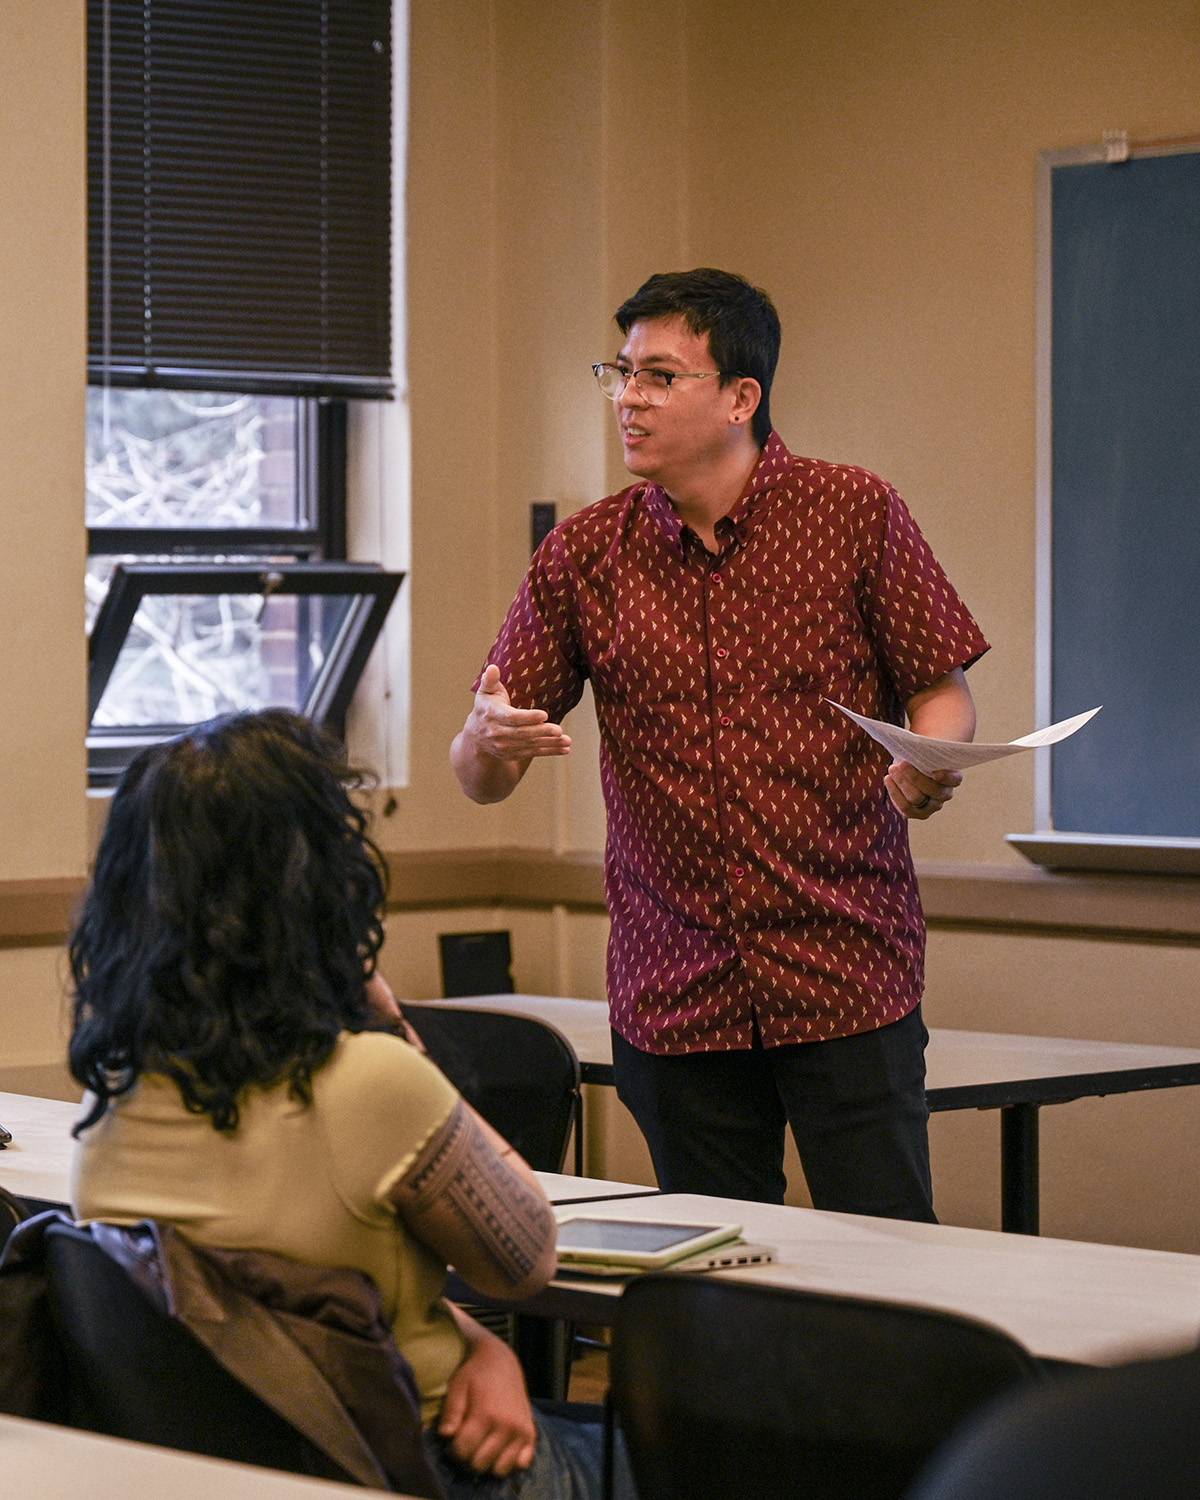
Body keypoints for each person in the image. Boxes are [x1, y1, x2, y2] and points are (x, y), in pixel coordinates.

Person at [451, 268, 989, 1221]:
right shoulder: (585, 552)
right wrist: (488, 739)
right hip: (675, 984)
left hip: (844, 971)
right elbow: (480, 774)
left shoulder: (853, 512)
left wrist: (926, 760)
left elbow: (940, 688)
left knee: (893, 1274)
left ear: (742, 397)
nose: (628, 399)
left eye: (659, 375)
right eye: (619, 373)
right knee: (719, 1293)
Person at [68, 708, 633, 1500]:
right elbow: (525, 1260)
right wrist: (392, 1025)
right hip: (405, 1459)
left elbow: (257, 1321)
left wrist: (480, 1348)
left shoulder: (116, 1097)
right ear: (324, 887)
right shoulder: (372, 1083)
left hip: (214, 1470)